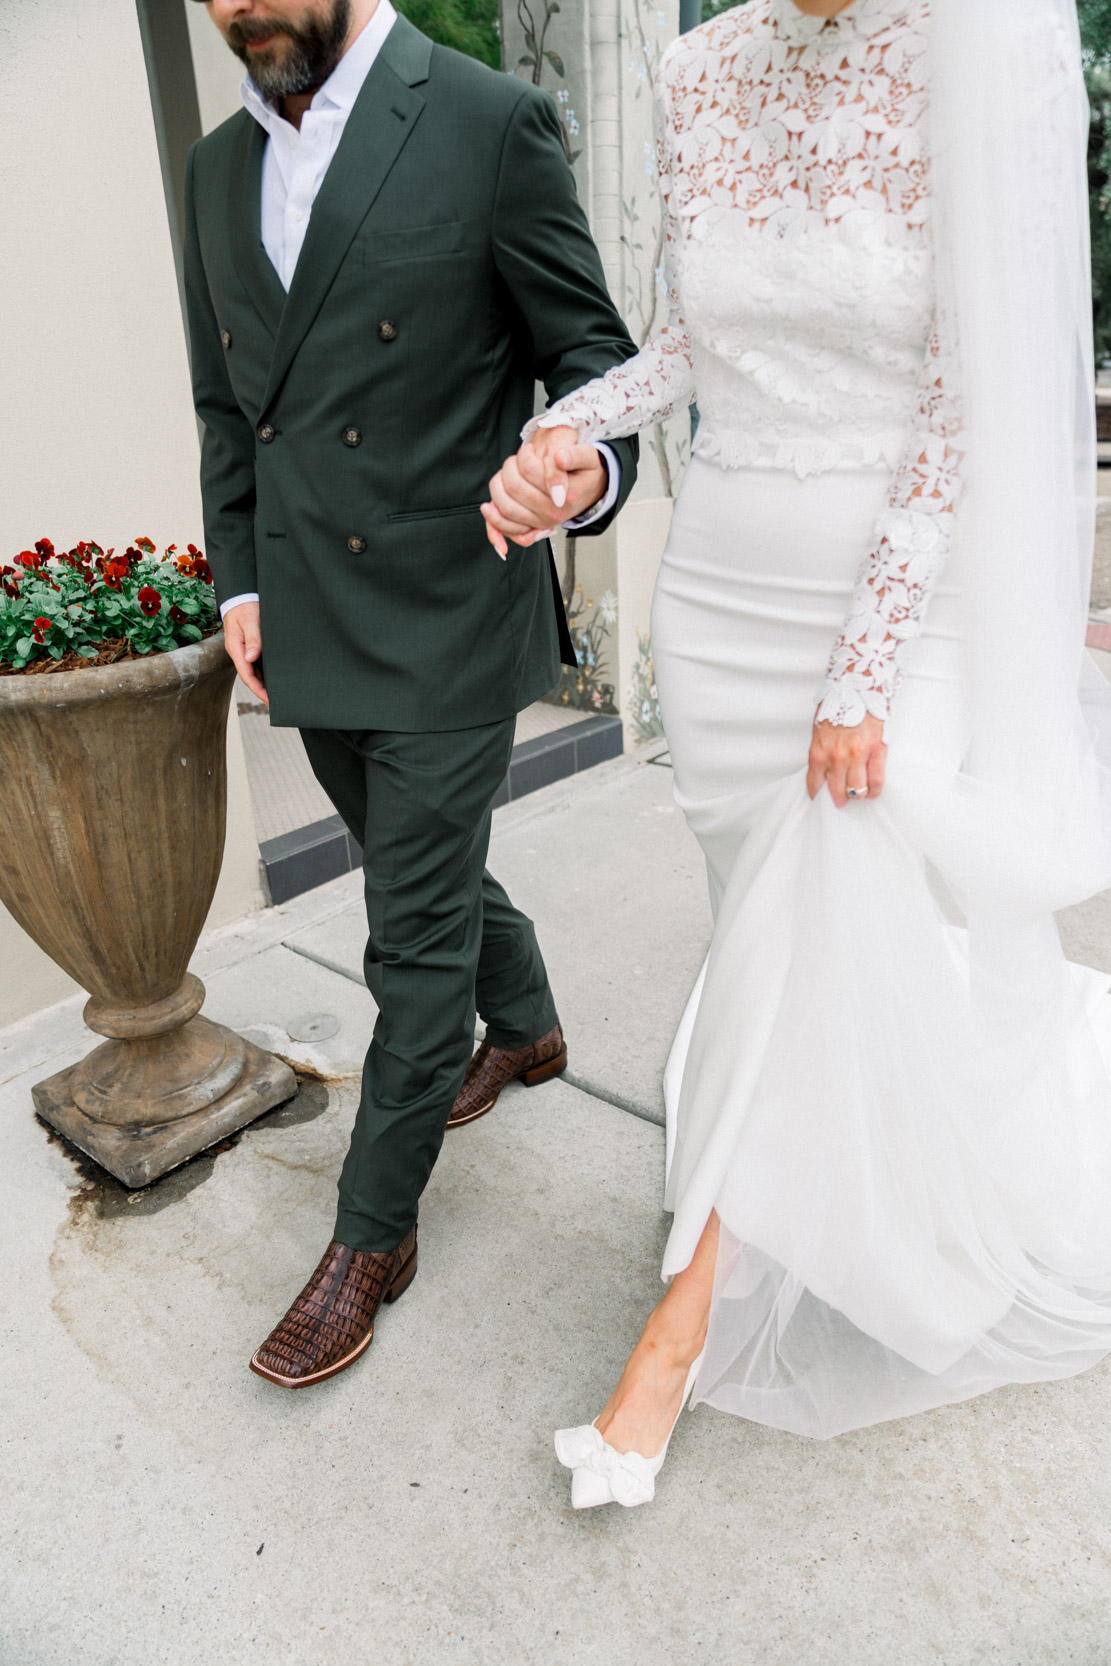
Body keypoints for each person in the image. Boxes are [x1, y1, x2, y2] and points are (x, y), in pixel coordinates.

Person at [487, 0, 1111, 1507]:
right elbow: (696, 338)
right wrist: (573, 435)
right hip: (722, 594)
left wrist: (869, 657)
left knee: (819, 920)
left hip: (897, 598)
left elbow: (972, 394)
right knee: (768, 923)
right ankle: (829, 1181)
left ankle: (677, 1332)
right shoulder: (699, 67)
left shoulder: (963, 49)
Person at [183, 0, 639, 1389]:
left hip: (448, 604)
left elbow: (598, 365)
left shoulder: (488, 122)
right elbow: (228, 404)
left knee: (409, 939)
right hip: (310, 620)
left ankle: (369, 1238)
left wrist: (581, 467)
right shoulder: (212, 168)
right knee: (412, 860)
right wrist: (239, 582)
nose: (242, 3)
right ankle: (536, 1023)